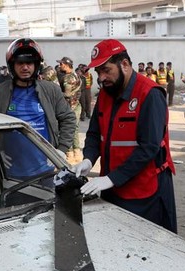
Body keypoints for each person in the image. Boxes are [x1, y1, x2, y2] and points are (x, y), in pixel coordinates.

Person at [71, 39, 177, 233]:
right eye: (98, 73)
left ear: (125, 65)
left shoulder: (149, 94)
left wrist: (111, 179)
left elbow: (149, 148)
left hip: (144, 191)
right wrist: (88, 159)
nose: (101, 78)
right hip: (112, 188)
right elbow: (95, 133)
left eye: (106, 70)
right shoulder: (105, 95)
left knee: (147, 248)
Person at [0, 38, 76, 181]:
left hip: (47, 172)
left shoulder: (51, 90)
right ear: (12, 65)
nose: (25, 67)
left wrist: (61, 150)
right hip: (10, 174)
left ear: (36, 64)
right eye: (20, 63)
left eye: (29, 63)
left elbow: (68, 118)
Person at [57, 56, 83, 164]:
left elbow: (67, 94)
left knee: (68, 129)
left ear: (67, 65)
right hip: (76, 105)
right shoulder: (76, 75)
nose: (59, 66)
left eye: (61, 64)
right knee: (75, 130)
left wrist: (56, 92)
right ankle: (77, 154)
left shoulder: (68, 78)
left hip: (69, 107)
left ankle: (70, 155)